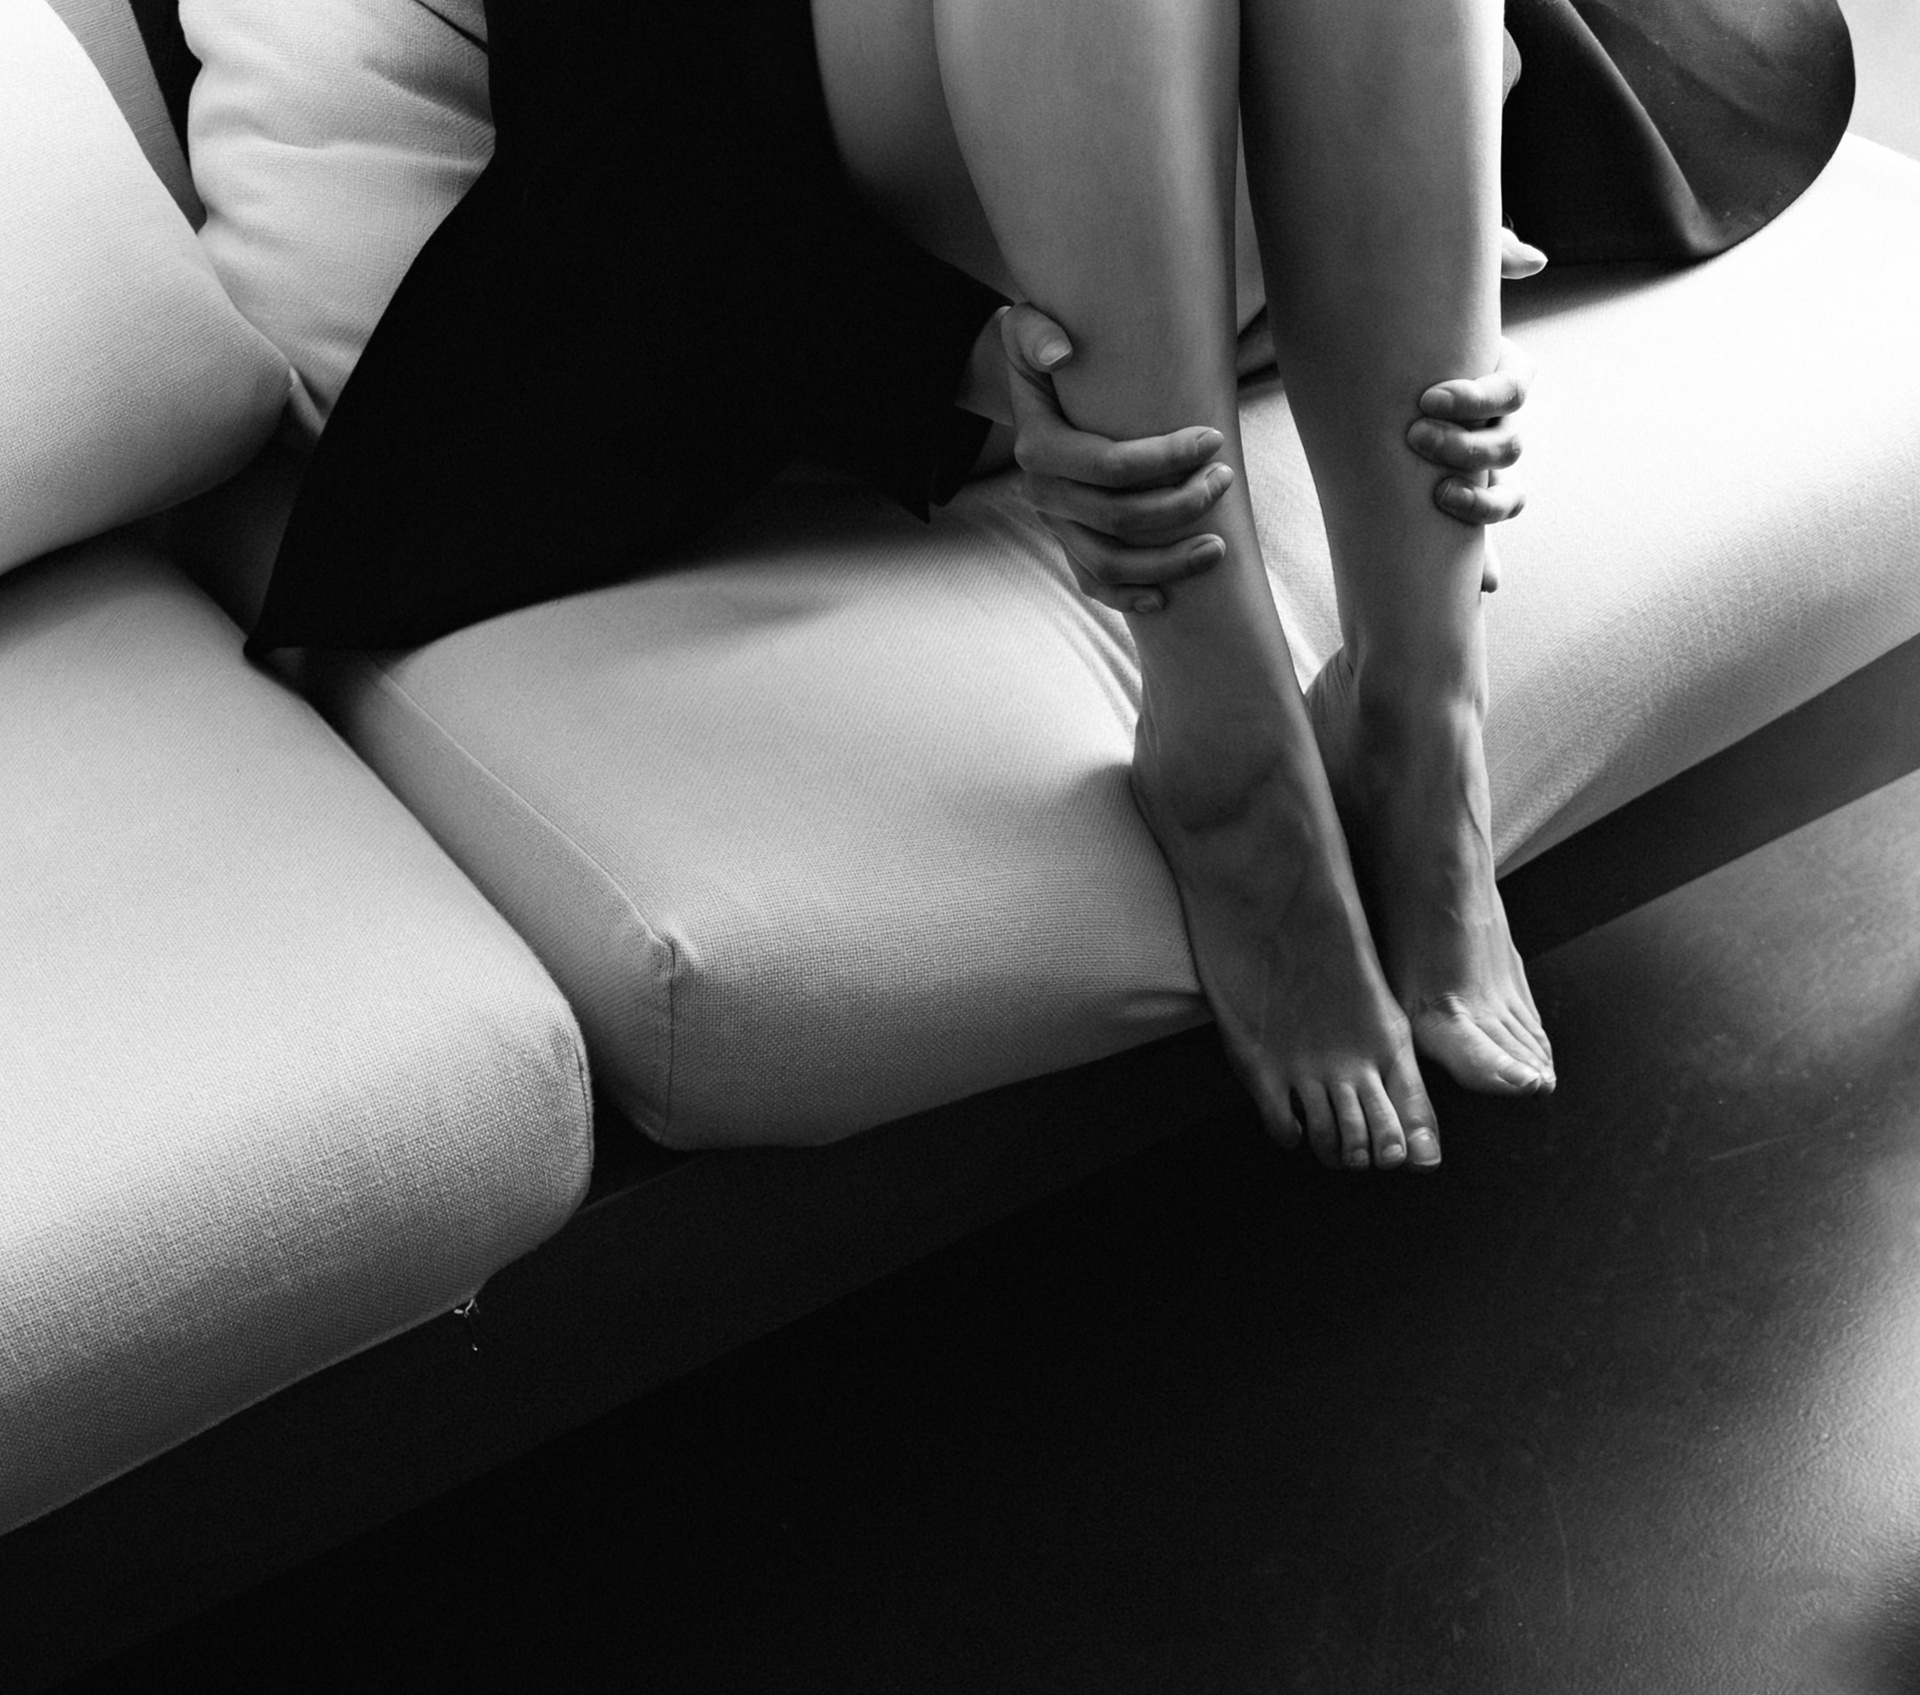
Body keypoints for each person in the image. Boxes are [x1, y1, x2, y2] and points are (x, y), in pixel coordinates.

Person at [254, 0, 1855, 1171]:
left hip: (1288, 137)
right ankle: (1226, 737)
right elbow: (625, 119)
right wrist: (946, 358)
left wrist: (1450, 175)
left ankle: (1423, 720)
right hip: (909, 215)